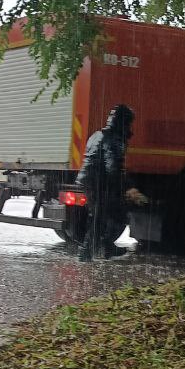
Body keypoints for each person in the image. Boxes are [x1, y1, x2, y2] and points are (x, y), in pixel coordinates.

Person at [77, 104, 135, 261]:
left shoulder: (98, 134)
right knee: (116, 214)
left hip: (88, 180)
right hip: (99, 182)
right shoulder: (115, 138)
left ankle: (93, 251)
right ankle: (98, 250)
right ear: (125, 122)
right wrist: (127, 187)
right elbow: (113, 167)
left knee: (98, 217)